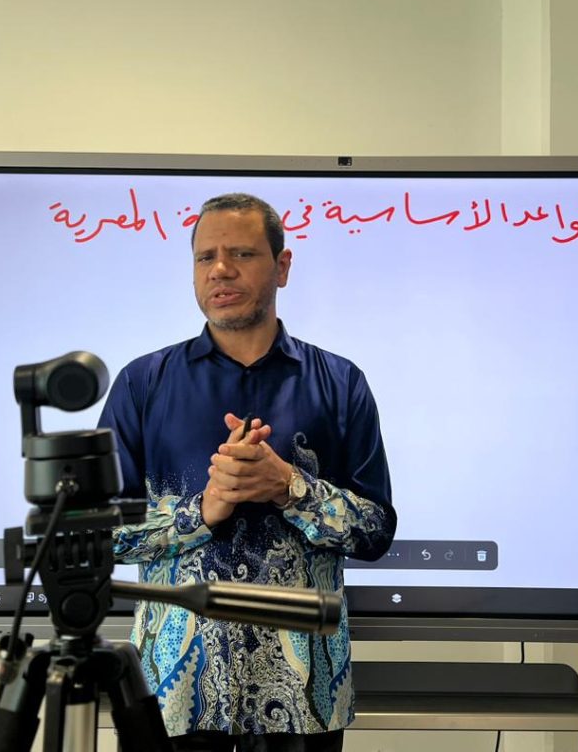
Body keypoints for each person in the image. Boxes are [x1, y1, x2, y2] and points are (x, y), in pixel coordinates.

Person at [98, 192, 396, 752]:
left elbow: (376, 531)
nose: (220, 270)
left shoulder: (340, 384)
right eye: (205, 256)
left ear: (282, 266)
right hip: (173, 697)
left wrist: (291, 488)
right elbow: (102, 533)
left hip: (303, 702)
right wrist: (204, 510)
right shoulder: (142, 384)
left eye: (241, 253)